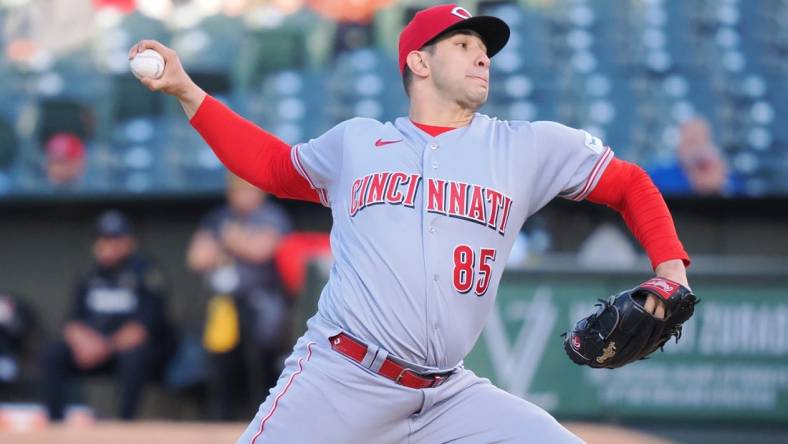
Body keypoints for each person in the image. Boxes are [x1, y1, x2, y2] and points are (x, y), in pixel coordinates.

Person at [130, 3, 691, 442]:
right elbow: (272, 166)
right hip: (340, 380)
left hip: (448, 397)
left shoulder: (524, 147)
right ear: (419, 62)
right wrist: (187, 90)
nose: (482, 57)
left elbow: (629, 183)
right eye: (464, 44)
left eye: (485, 49)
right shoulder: (358, 143)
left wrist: (672, 271)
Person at [40, 210, 169, 421]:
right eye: (104, 239)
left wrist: (105, 346)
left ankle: (124, 424)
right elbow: (71, 322)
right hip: (92, 348)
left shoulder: (146, 272)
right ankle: (55, 424)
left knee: (135, 355)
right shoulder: (89, 274)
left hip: (127, 350)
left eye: (115, 239)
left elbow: (143, 329)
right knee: (53, 353)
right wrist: (86, 342)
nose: (109, 246)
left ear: (128, 241)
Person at [186, 173, 293, 420]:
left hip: (261, 300)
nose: (239, 195)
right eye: (235, 189)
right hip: (223, 303)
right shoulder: (218, 217)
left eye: (246, 189)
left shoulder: (271, 216)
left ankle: (265, 416)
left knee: (261, 354)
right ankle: (218, 418)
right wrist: (236, 241)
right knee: (217, 359)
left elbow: (261, 250)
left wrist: (229, 240)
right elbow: (197, 258)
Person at [647, 117, 743, 196]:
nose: (694, 148)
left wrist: (719, 187)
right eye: (690, 141)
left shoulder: (725, 176)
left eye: (699, 141)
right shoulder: (659, 174)